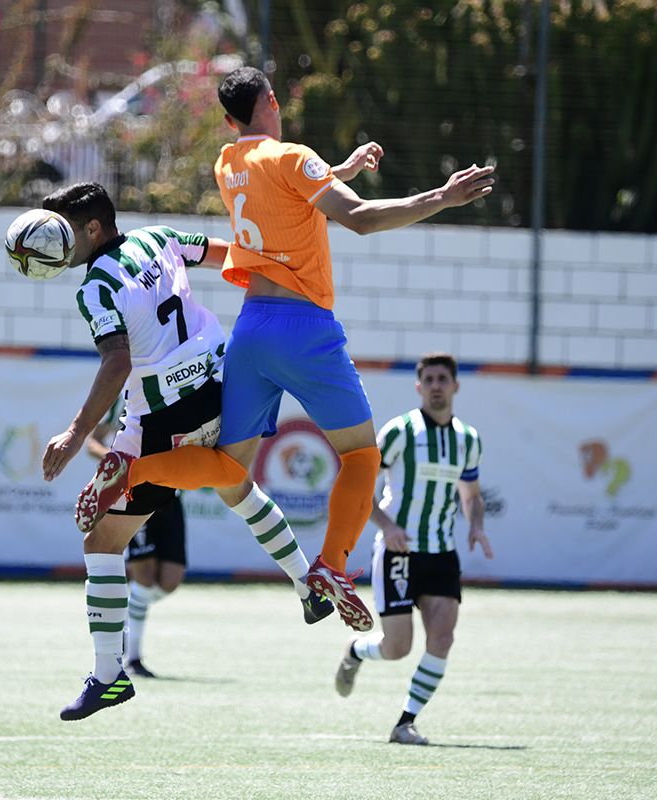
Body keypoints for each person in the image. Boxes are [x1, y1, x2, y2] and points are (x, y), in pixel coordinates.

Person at [75, 66, 497, 634]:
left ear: (228, 121)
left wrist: (336, 171)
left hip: (251, 329)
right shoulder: (295, 157)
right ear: (273, 100)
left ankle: (130, 467)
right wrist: (441, 198)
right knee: (360, 456)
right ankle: (332, 566)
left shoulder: (227, 163)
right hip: (305, 329)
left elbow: (282, 202)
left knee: (229, 469)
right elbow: (362, 219)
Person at [38, 182, 331, 721]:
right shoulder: (159, 238)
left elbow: (118, 362)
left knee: (102, 543)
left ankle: (108, 676)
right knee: (236, 487)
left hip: (162, 415)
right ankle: (306, 582)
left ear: (94, 230)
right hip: (222, 385)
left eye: (64, 232)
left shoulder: (94, 288)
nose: (56, 243)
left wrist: (77, 433)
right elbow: (227, 254)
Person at [332, 353, 491, 746]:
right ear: (419, 387)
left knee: (443, 638)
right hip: (398, 554)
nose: (437, 385)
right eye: (430, 379)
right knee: (397, 647)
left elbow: (470, 494)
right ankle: (356, 650)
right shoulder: (401, 431)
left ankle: (405, 722)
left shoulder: (468, 440)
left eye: (443, 379)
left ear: (456, 386)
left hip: (441, 554)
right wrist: (387, 526)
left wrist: (476, 525)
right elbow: (358, 481)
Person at [86, 394, 186, 679]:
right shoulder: (125, 394)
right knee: (143, 575)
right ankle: (132, 658)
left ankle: (124, 620)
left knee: (170, 581)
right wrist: (122, 465)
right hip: (135, 493)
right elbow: (93, 442)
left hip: (171, 494)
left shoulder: (180, 386)